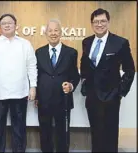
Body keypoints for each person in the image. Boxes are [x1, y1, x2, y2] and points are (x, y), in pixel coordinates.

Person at [0, 13, 37, 152]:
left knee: (19, 128)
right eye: (4, 23)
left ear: (16, 25)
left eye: (10, 22)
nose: (7, 25)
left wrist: (33, 87)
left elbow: (32, 66)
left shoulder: (25, 44)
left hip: (20, 93)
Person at [80, 8, 135, 152]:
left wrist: (120, 92)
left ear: (108, 22)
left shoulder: (120, 42)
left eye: (103, 21)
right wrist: (85, 84)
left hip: (111, 96)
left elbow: (130, 69)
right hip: (92, 97)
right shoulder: (86, 42)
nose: (99, 24)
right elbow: (84, 64)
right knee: (95, 133)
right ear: (92, 24)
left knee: (110, 135)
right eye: (96, 22)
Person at [35, 19, 80, 152]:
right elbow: (37, 76)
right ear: (45, 33)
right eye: (50, 30)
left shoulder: (71, 52)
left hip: (63, 100)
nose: (53, 33)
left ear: (61, 33)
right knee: (45, 132)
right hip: (44, 100)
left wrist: (71, 86)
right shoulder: (39, 52)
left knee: (63, 133)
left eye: (56, 30)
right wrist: (37, 95)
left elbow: (75, 75)